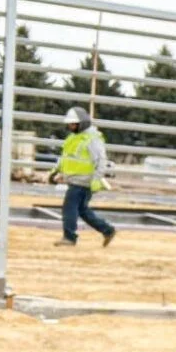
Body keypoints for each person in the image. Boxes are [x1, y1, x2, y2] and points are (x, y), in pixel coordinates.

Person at [47, 106, 115, 247]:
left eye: (73, 124)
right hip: (74, 179)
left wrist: (97, 178)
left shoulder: (92, 139)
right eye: (70, 124)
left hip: (84, 181)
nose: (70, 126)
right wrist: (55, 171)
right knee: (82, 210)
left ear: (82, 123)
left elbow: (101, 160)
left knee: (69, 207)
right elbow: (65, 157)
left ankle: (69, 237)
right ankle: (107, 230)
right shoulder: (73, 138)